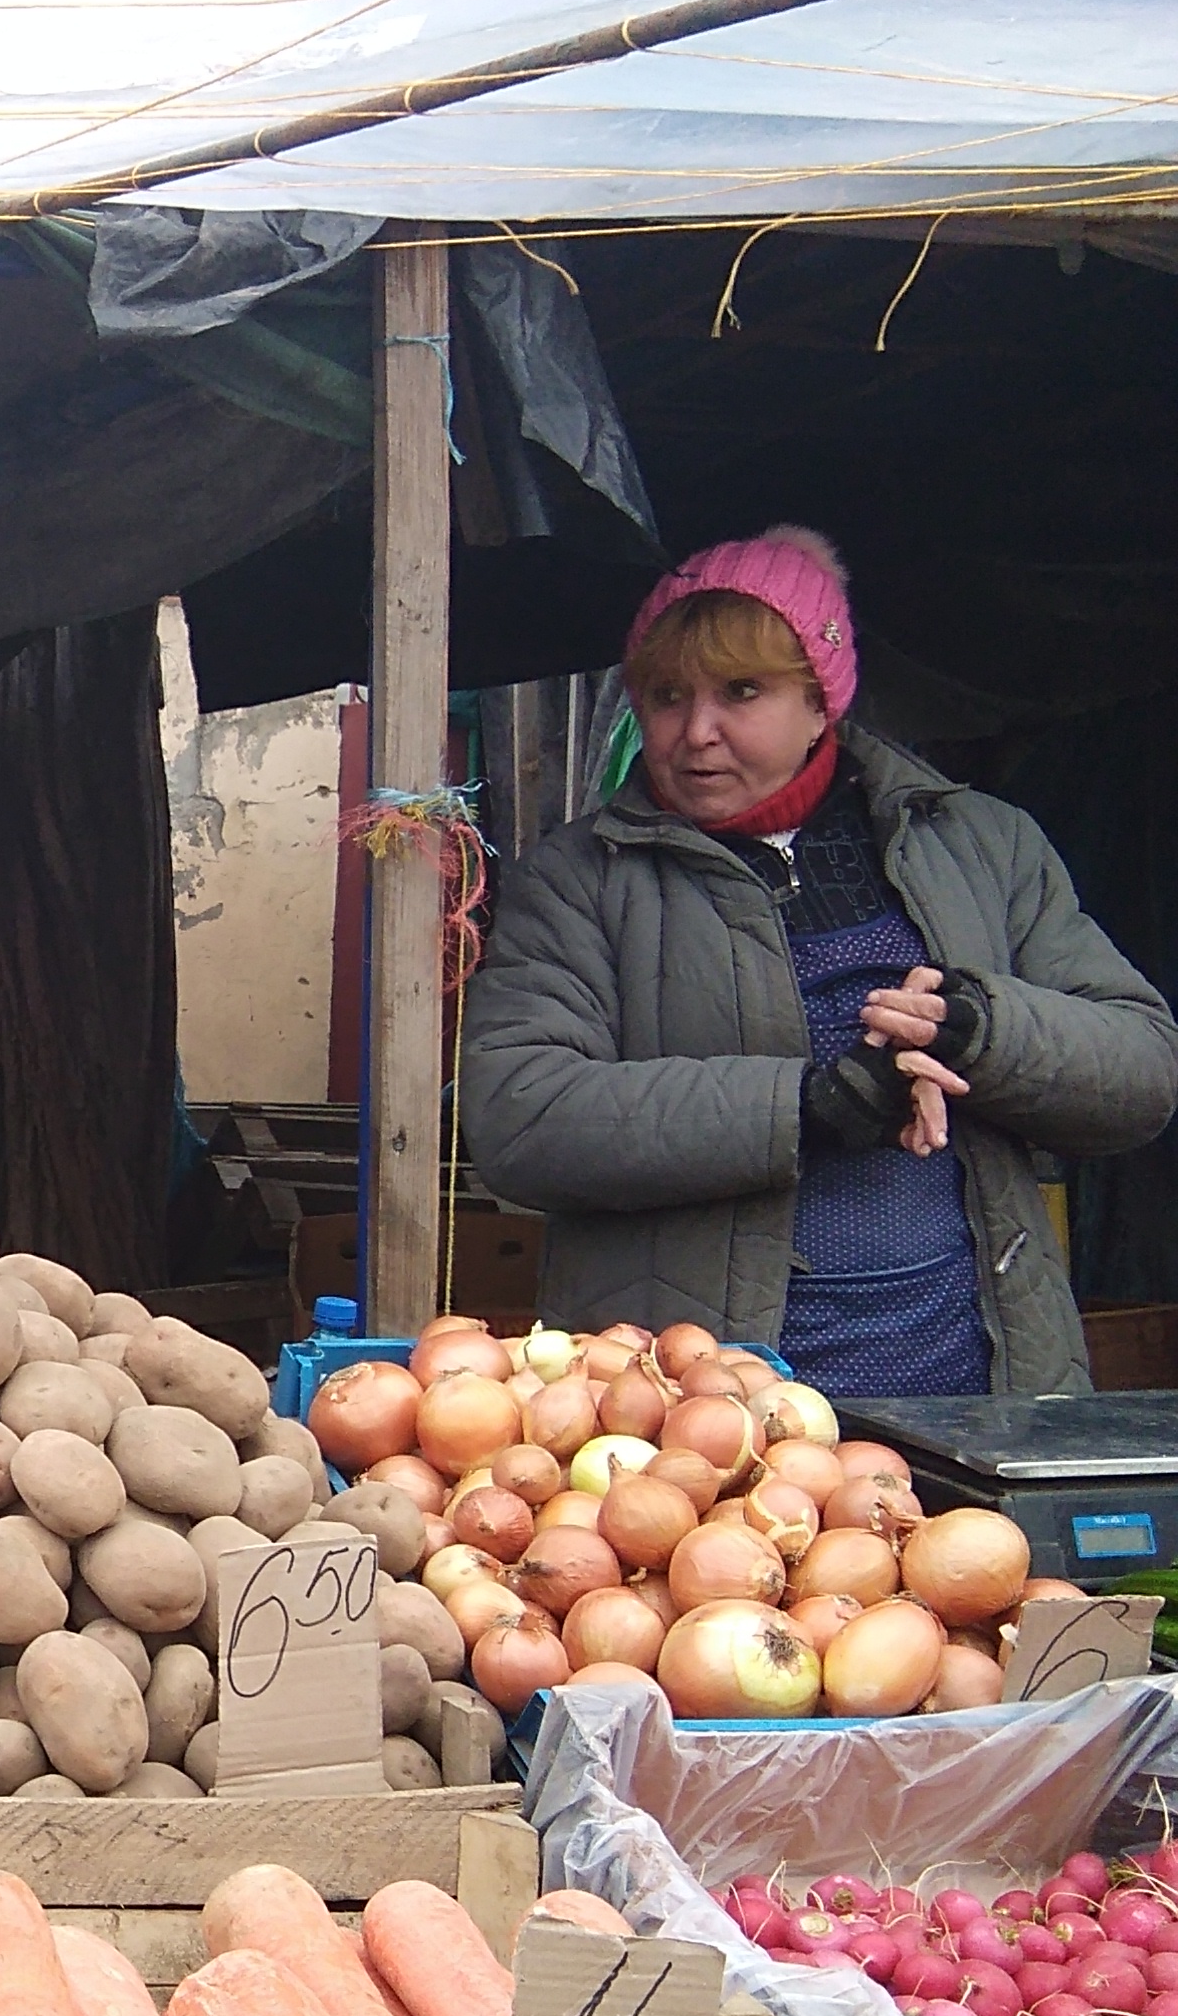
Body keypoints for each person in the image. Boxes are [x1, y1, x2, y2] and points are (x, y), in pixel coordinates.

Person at [465, 524, 1178, 1397]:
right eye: (665, 695)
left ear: (821, 702)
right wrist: (804, 1106)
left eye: (742, 691)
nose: (698, 731)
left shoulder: (984, 846)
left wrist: (980, 1032)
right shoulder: (578, 879)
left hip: (978, 1381)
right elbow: (519, 1116)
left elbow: (1141, 1068)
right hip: (693, 1408)